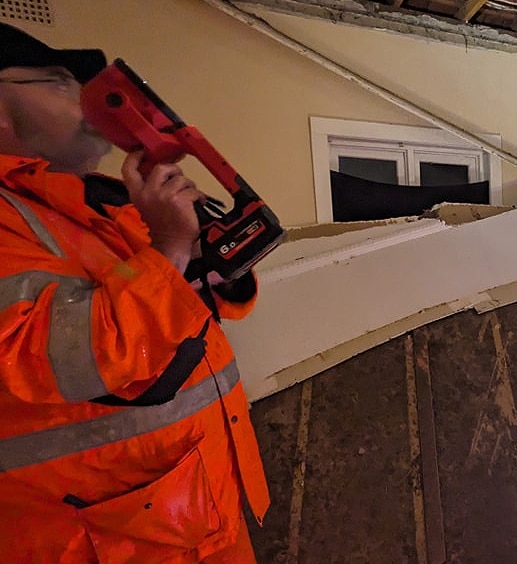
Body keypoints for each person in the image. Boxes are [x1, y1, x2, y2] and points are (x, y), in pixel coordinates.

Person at [0, 23, 269, 562]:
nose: (85, 96)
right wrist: (169, 245)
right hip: (105, 539)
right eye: (58, 82)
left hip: (194, 504)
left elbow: (180, 307)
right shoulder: (14, 219)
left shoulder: (94, 203)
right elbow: (62, 360)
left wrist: (210, 259)